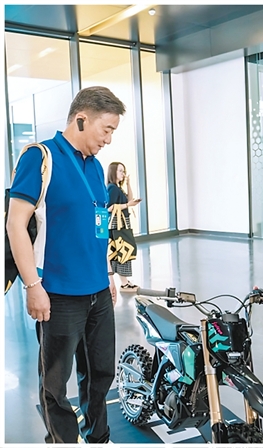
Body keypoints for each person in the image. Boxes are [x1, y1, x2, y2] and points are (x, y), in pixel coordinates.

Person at [6, 86, 126, 443]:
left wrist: (108, 274)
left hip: (98, 292)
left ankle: (98, 436)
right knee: (56, 385)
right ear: (82, 119)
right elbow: (15, 224)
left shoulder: (96, 167)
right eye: (106, 129)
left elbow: (98, 226)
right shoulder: (40, 157)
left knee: (100, 374)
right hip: (57, 295)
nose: (108, 139)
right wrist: (33, 286)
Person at [107, 161, 141, 292]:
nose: (123, 173)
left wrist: (128, 184)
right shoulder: (112, 188)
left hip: (122, 224)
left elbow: (129, 200)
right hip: (117, 225)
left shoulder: (117, 188)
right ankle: (124, 283)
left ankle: (124, 282)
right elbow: (109, 207)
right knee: (122, 251)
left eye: (123, 171)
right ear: (113, 172)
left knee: (121, 252)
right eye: (120, 171)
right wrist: (127, 205)